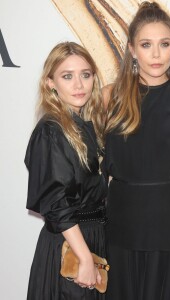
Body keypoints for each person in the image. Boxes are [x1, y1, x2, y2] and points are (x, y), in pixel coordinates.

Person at [102, 2, 170, 299]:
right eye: (146, 45)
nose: (156, 55)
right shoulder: (109, 97)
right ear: (132, 49)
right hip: (122, 225)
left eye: (164, 44)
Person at [25, 41, 107, 300]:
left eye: (85, 74)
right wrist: (84, 257)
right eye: (67, 76)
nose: (79, 85)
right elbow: (56, 202)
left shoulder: (88, 125)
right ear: (50, 82)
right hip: (71, 244)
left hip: (93, 237)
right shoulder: (51, 130)